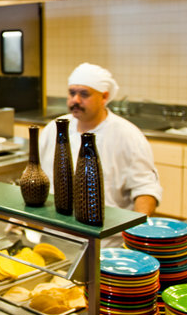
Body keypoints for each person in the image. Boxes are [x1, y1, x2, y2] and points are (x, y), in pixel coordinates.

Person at [37, 62, 163, 214]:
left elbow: (145, 190)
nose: (75, 100)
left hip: (107, 235)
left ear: (104, 97)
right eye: (72, 93)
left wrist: (135, 234)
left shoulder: (127, 135)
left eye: (84, 94)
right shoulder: (54, 129)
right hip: (55, 231)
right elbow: (39, 176)